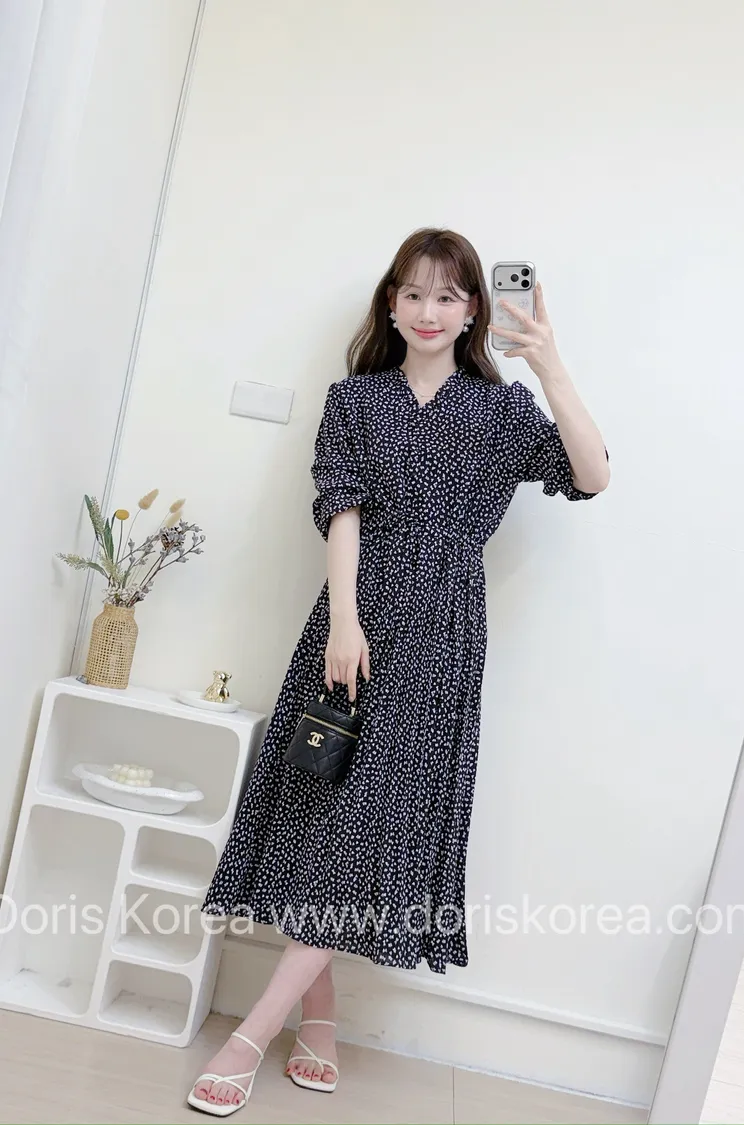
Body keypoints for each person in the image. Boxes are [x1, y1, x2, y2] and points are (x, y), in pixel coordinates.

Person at [186, 228, 610, 1114]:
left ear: (474, 310)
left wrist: (549, 365)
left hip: (443, 634)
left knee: (370, 822)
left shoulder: (502, 412)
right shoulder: (355, 399)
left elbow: (593, 474)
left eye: (448, 295)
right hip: (352, 619)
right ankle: (320, 1019)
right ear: (390, 301)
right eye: (413, 292)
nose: (428, 310)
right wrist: (345, 620)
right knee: (321, 812)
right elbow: (340, 506)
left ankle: (249, 1034)